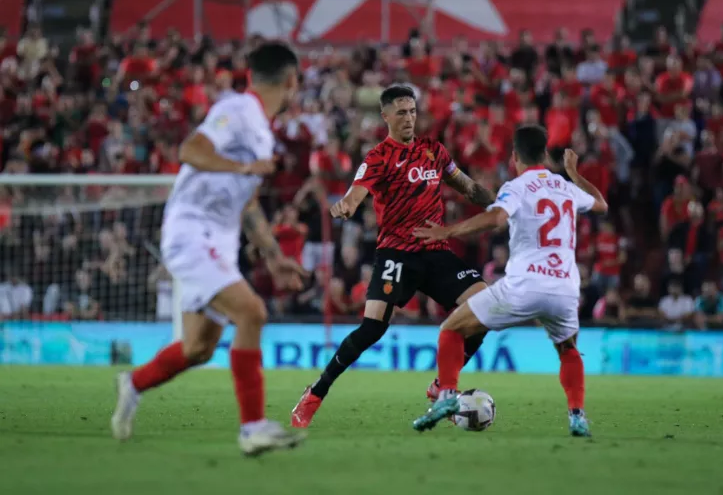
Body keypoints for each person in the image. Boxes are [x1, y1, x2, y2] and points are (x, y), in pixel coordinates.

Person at [110, 42, 308, 456]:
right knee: (252, 312)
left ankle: (134, 383)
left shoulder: (261, 131)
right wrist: (242, 167)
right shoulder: (237, 109)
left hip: (219, 237)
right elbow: (191, 150)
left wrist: (273, 255)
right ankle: (252, 428)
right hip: (191, 229)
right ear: (291, 81)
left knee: (199, 347)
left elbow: (248, 203)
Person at [291, 85, 496, 428]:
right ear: (385, 116)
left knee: (485, 306)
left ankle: (440, 386)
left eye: (413, 111)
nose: (409, 118)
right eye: (401, 113)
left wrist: (501, 204)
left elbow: (468, 187)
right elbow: (358, 192)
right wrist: (347, 204)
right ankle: (315, 393)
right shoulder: (378, 157)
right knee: (372, 329)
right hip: (396, 254)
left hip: (434, 250)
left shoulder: (434, 151)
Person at [410, 127, 608, 437]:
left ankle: (446, 396)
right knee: (568, 349)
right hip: (565, 287)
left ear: (514, 156)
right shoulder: (565, 186)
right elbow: (601, 204)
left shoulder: (516, 186)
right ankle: (577, 417)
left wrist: (446, 232)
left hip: (524, 285)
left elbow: (496, 218)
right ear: (544, 155)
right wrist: (573, 173)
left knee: (451, 328)